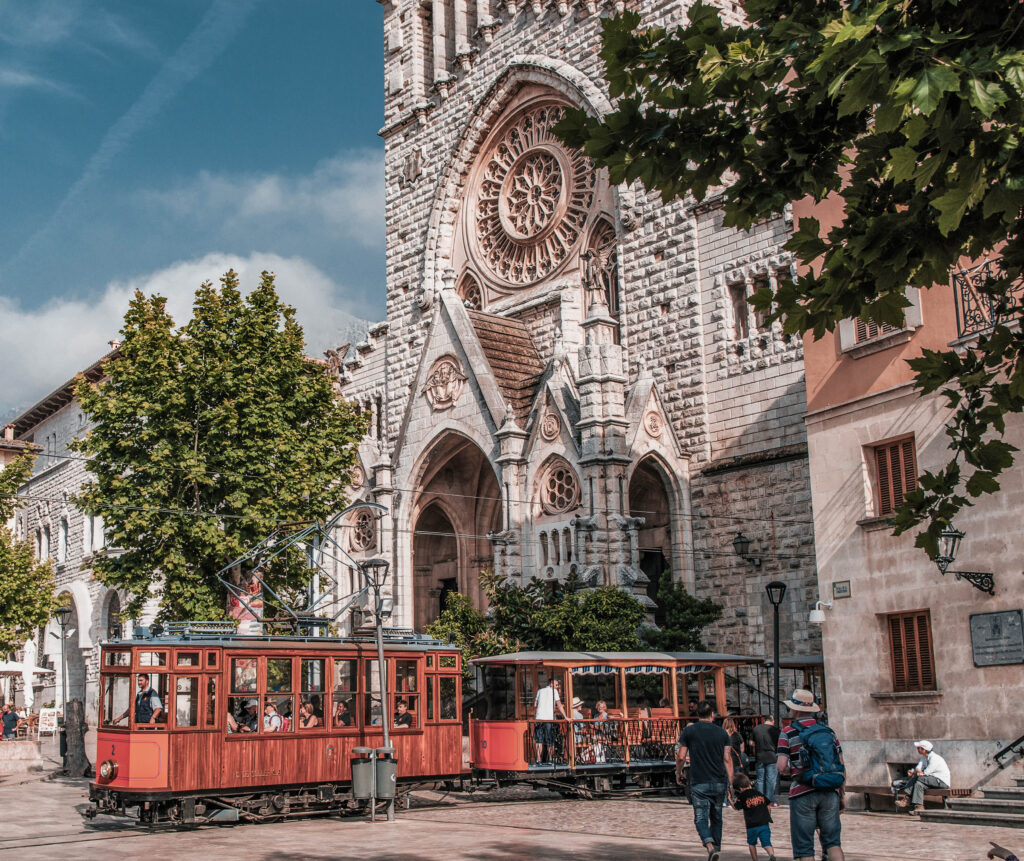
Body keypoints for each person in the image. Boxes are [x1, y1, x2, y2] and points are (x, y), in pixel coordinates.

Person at [777, 689, 845, 861]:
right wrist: (842, 794)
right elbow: (841, 765)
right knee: (833, 843)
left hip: (802, 792)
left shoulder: (788, 732)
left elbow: (781, 766)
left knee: (804, 848)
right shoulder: (829, 732)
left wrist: (792, 770)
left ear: (795, 710)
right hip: (830, 791)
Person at [676, 699, 734, 861]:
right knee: (717, 817)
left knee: (701, 817)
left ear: (697, 714)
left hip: (699, 779)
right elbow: (727, 759)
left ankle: (709, 846)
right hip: (719, 780)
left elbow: (681, 756)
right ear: (712, 715)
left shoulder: (689, 731)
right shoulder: (722, 733)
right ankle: (716, 848)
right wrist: (731, 782)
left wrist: (678, 772)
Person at [896, 740, 950, 815]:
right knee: (918, 784)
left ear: (924, 749)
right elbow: (918, 768)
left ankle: (907, 799)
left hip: (941, 781)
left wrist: (917, 773)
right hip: (929, 780)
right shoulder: (923, 757)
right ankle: (919, 808)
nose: (917, 749)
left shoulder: (935, 758)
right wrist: (913, 771)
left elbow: (926, 772)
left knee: (918, 778)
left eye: (919, 748)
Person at [732, 772, 776, 861]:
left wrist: (729, 798)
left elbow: (736, 807)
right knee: (767, 843)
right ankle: (771, 855)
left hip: (751, 825)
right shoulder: (758, 793)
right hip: (764, 823)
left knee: (752, 844)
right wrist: (767, 816)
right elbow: (768, 805)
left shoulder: (742, 795)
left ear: (740, 788)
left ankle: (755, 860)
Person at [533, 676, 568, 766]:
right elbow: (559, 705)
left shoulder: (540, 691)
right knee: (550, 740)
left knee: (539, 740)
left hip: (539, 718)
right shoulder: (554, 691)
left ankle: (538, 760)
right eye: (556, 685)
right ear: (551, 684)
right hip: (549, 718)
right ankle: (550, 760)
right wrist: (565, 717)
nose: (557, 686)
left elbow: (535, 704)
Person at [752, 715, 781, 806]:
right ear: (772, 721)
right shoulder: (776, 730)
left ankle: (760, 799)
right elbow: (779, 745)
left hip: (760, 756)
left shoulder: (756, 729)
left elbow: (751, 743)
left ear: (764, 720)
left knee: (760, 779)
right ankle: (770, 800)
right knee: (771, 779)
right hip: (772, 756)